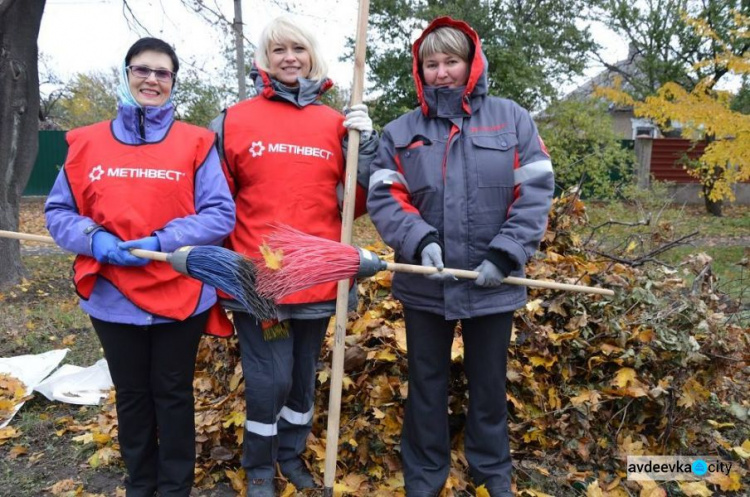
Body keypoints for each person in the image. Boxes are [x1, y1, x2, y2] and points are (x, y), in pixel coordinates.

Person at [367, 17, 554, 497]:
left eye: (451, 61)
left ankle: (492, 469)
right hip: (425, 284)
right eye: (432, 63)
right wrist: (418, 239)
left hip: (494, 283)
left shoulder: (512, 119)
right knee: (426, 382)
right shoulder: (400, 131)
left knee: (488, 382)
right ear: (420, 70)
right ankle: (425, 475)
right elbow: (387, 197)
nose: (442, 72)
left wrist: (506, 254)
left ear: (471, 64)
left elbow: (534, 192)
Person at [44, 37, 235, 497]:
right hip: (112, 294)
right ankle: (140, 484)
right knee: (131, 395)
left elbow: (219, 213)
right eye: (142, 69)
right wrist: (95, 239)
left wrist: (161, 241)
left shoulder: (196, 142)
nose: (152, 79)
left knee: (172, 395)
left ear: (172, 81)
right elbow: (58, 212)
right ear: (126, 73)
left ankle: (174, 487)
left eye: (162, 72)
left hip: (180, 292)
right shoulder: (85, 142)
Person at [209, 16, 377, 497]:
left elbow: (354, 207)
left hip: (320, 280)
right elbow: (216, 201)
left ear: (311, 56)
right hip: (260, 284)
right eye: (278, 49)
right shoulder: (233, 120)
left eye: (297, 48)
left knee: (303, 375)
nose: (289, 57)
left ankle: (291, 453)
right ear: (264, 59)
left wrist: (363, 152)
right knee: (271, 377)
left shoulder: (334, 124)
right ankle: (259, 464)